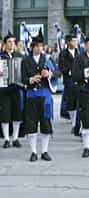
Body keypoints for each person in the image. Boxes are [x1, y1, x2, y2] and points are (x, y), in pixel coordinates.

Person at [21, 29, 55, 162]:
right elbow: (22, 78)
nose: (40, 48)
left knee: (45, 124)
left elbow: (56, 73)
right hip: (31, 96)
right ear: (32, 47)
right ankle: (33, 152)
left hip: (45, 96)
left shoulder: (47, 59)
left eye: (41, 46)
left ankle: (45, 151)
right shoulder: (26, 60)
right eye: (38, 46)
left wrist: (49, 74)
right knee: (31, 124)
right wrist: (30, 79)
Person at [0, 31, 24, 148]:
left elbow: (23, 72)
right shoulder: (1, 57)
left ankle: (15, 138)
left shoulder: (19, 56)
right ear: (4, 44)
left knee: (17, 114)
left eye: (13, 42)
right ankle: (6, 139)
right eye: (9, 42)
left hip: (16, 89)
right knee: (5, 115)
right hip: (4, 90)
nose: (12, 44)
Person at [58, 34, 79, 133]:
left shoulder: (79, 52)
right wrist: (69, 71)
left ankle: (76, 123)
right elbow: (61, 67)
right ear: (68, 42)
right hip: (69, 81)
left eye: (76, 41)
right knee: (70, 102)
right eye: (73, 41)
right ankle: (73, 122)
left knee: (77, 102)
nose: (75, 43)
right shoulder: (63, 54)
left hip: (78, 80)